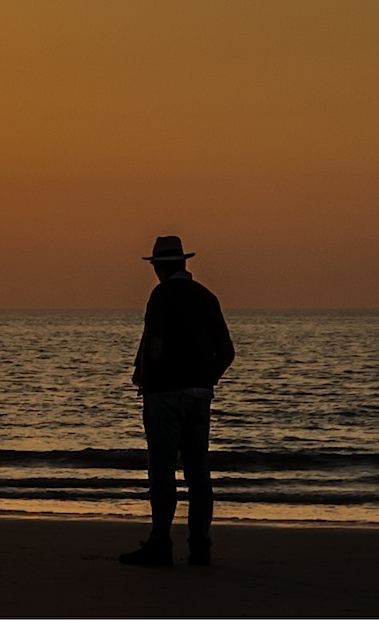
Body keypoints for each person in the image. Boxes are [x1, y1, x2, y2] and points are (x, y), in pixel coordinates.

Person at [120, 235, 235, 568]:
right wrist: (206, 378)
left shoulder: (162, 295)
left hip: (165, 393)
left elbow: (153, 342)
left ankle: (160, 542)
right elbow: (227, 352)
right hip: (199, 396)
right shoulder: (206, 297)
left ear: (159, 266)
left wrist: (145, 377)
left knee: (163, 470)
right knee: (198, 473)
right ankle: (200, 545)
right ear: (184, 263)